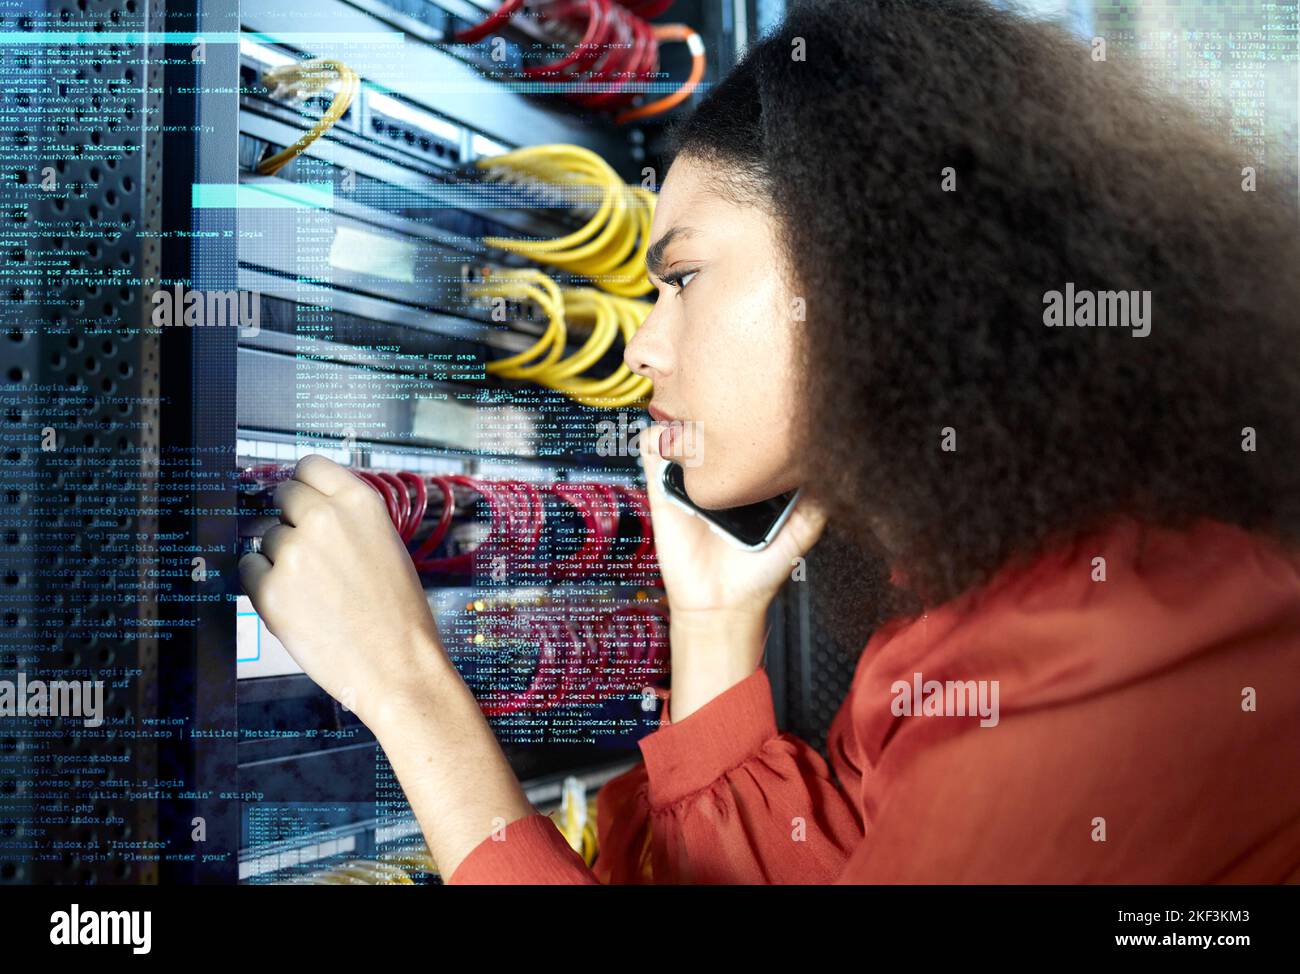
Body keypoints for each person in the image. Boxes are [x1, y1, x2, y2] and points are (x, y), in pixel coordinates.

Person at [238, 0, 1300, 883]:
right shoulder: (991, 614)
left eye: (684, 277)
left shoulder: (1102, 654)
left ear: (868, 273)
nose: (645, 344)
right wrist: (709, 623)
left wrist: (410, 689)